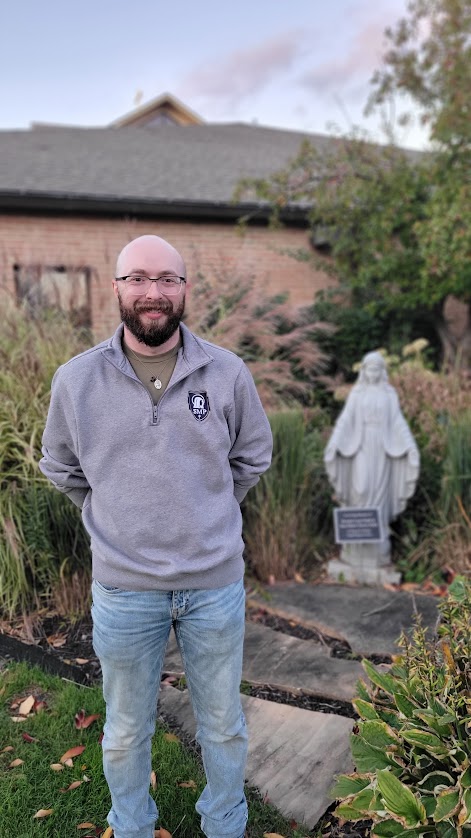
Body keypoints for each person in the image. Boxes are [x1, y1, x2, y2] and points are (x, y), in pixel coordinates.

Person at [39, 234, 273, 838]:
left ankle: (225, 824)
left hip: (212, 585)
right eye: (138, 278)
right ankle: (133, 826)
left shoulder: (225, 373)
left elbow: (251, 457)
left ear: (184, 289)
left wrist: (206, 511)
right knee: (124, 730)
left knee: (222, 723)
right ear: (117, 288)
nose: (153, 292)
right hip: (125, 590)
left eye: (167, 279)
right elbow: (61, 466)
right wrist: (114, 515)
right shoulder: (78, 381)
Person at [324, 351, 419, 562]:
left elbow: (398, 422)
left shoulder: (389, 394)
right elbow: (345, 420)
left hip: (382, 448)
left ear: (382, 371)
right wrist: (334, 443)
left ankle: (377, 546)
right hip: (361, 445)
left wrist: (410, 445)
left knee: (379, 492)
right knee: (361, 488)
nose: (373, 373)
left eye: (377, 369)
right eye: (370, 369)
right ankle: (355, 543)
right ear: (364, 371)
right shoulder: (357, 394)